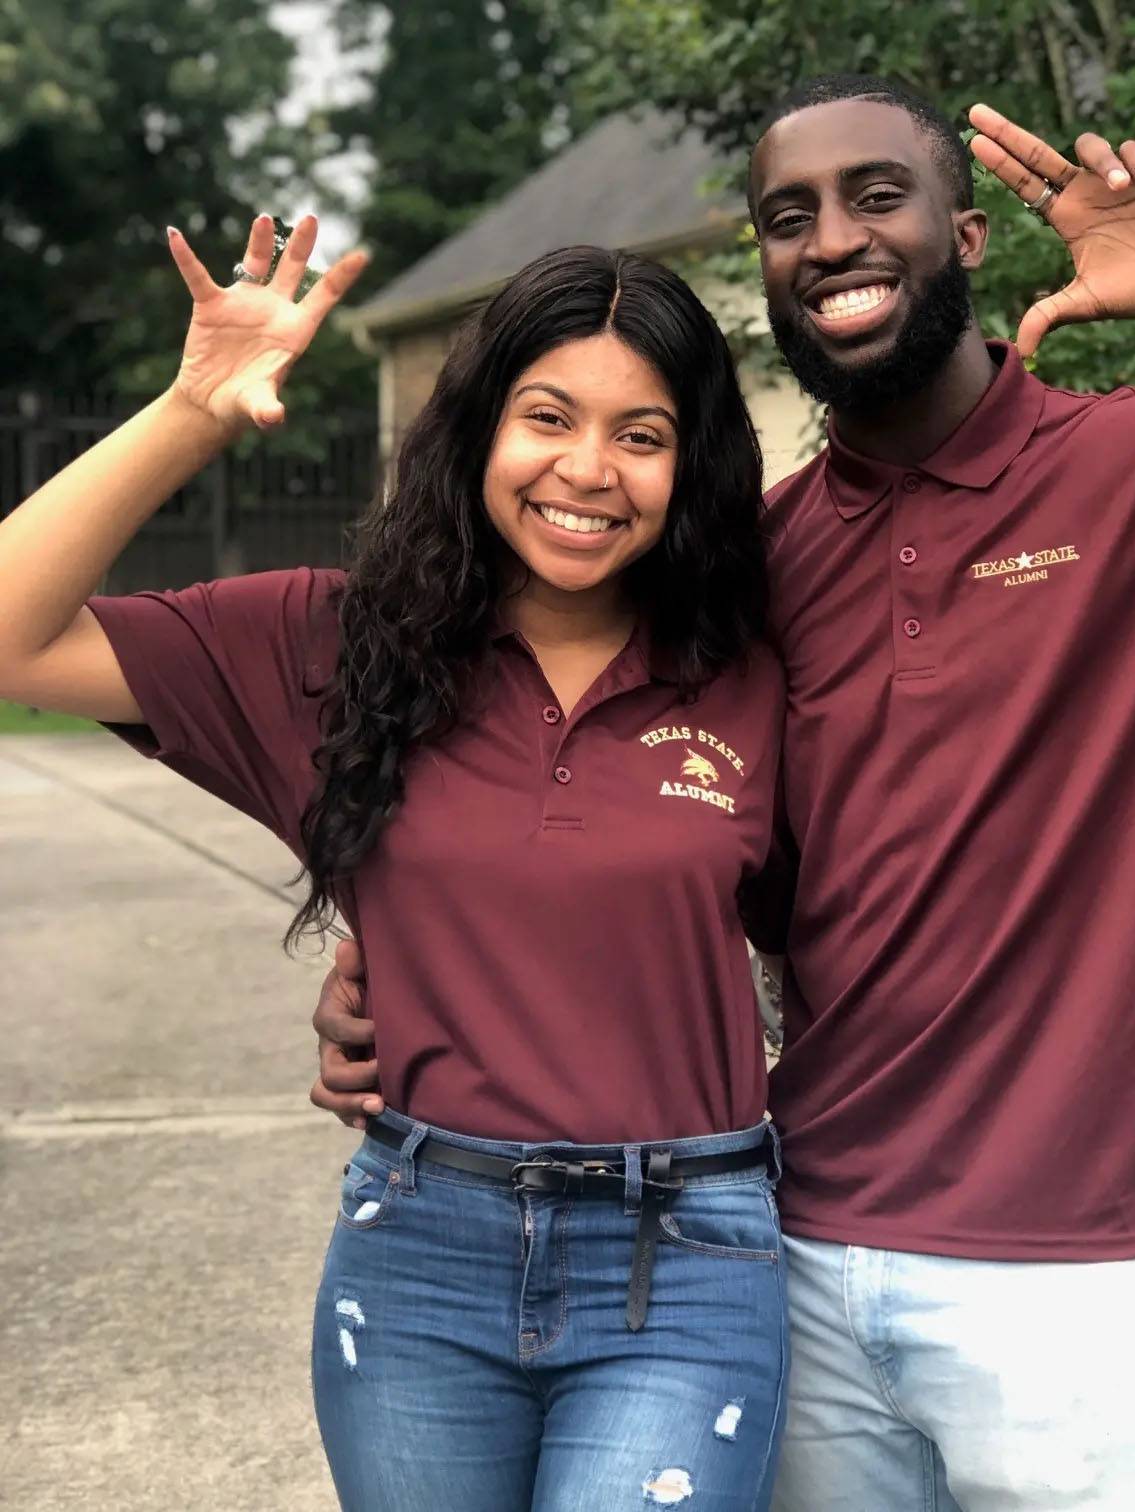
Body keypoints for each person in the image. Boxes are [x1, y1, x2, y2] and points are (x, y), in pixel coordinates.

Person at [311, 73, 1135, 1511]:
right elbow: (650, 844)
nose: (831, 240)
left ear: (967, 233)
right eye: (787, 217)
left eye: (877, 197)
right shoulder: (744, 573)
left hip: (1090, 1280)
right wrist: (399, 963)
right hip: (798, 1252)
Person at [0, 221, 793, 1509]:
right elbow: (8, 635)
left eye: (641, 436)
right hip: (421, 1252)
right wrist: (193, 410)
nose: (587, 471)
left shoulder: (757, 669)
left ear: (690, 464)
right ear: (479, 427)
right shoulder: (330, 645)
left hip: (685, 1257)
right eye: (548, 418)